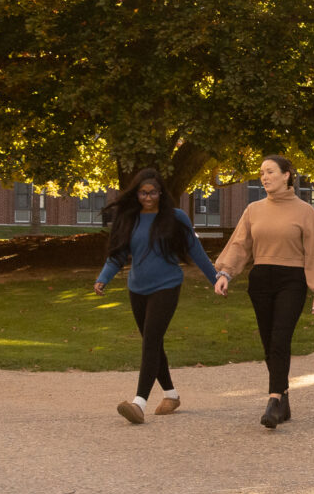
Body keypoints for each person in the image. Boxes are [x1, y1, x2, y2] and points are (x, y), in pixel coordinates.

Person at [212, 154, 314, 429]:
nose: (264, 177)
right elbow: (240, 245)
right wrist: (225, 273)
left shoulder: (304, 211)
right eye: (261, 173)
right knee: (269, 343)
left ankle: (273, 400)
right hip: (261, 279)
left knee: (280, 338)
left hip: (292, 280)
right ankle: (284, 398)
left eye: (269, 172)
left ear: (286, 175)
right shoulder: (253, 210)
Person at [93, 168, 220, 425]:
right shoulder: (130, 218)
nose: (148, 197)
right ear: (136, 193)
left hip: (167, 285)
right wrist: (103, 277)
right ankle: (171, 395)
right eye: (143, 192)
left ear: (161, 193)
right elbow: (118, 255)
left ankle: (139, 403)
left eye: (153, 192)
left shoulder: (175, 218)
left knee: (150, 340)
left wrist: (216, 279)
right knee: (154, 342)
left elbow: (196, 251)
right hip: (137, 288)